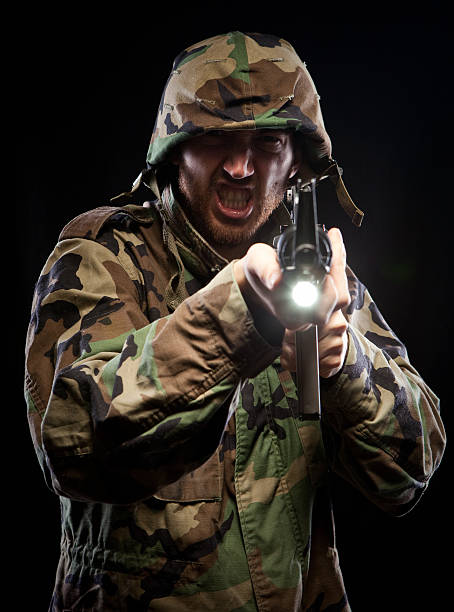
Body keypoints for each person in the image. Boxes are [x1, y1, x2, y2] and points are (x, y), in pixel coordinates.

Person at [24, 31, 445, 611]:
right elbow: (71, 441)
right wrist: (235, 316)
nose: (242, 167)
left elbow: (411, 473)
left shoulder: (321, 280)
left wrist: (346, 364)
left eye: (268, 142)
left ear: (297, 160)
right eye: (217, 139)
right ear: (176, 150)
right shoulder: (103, 260)